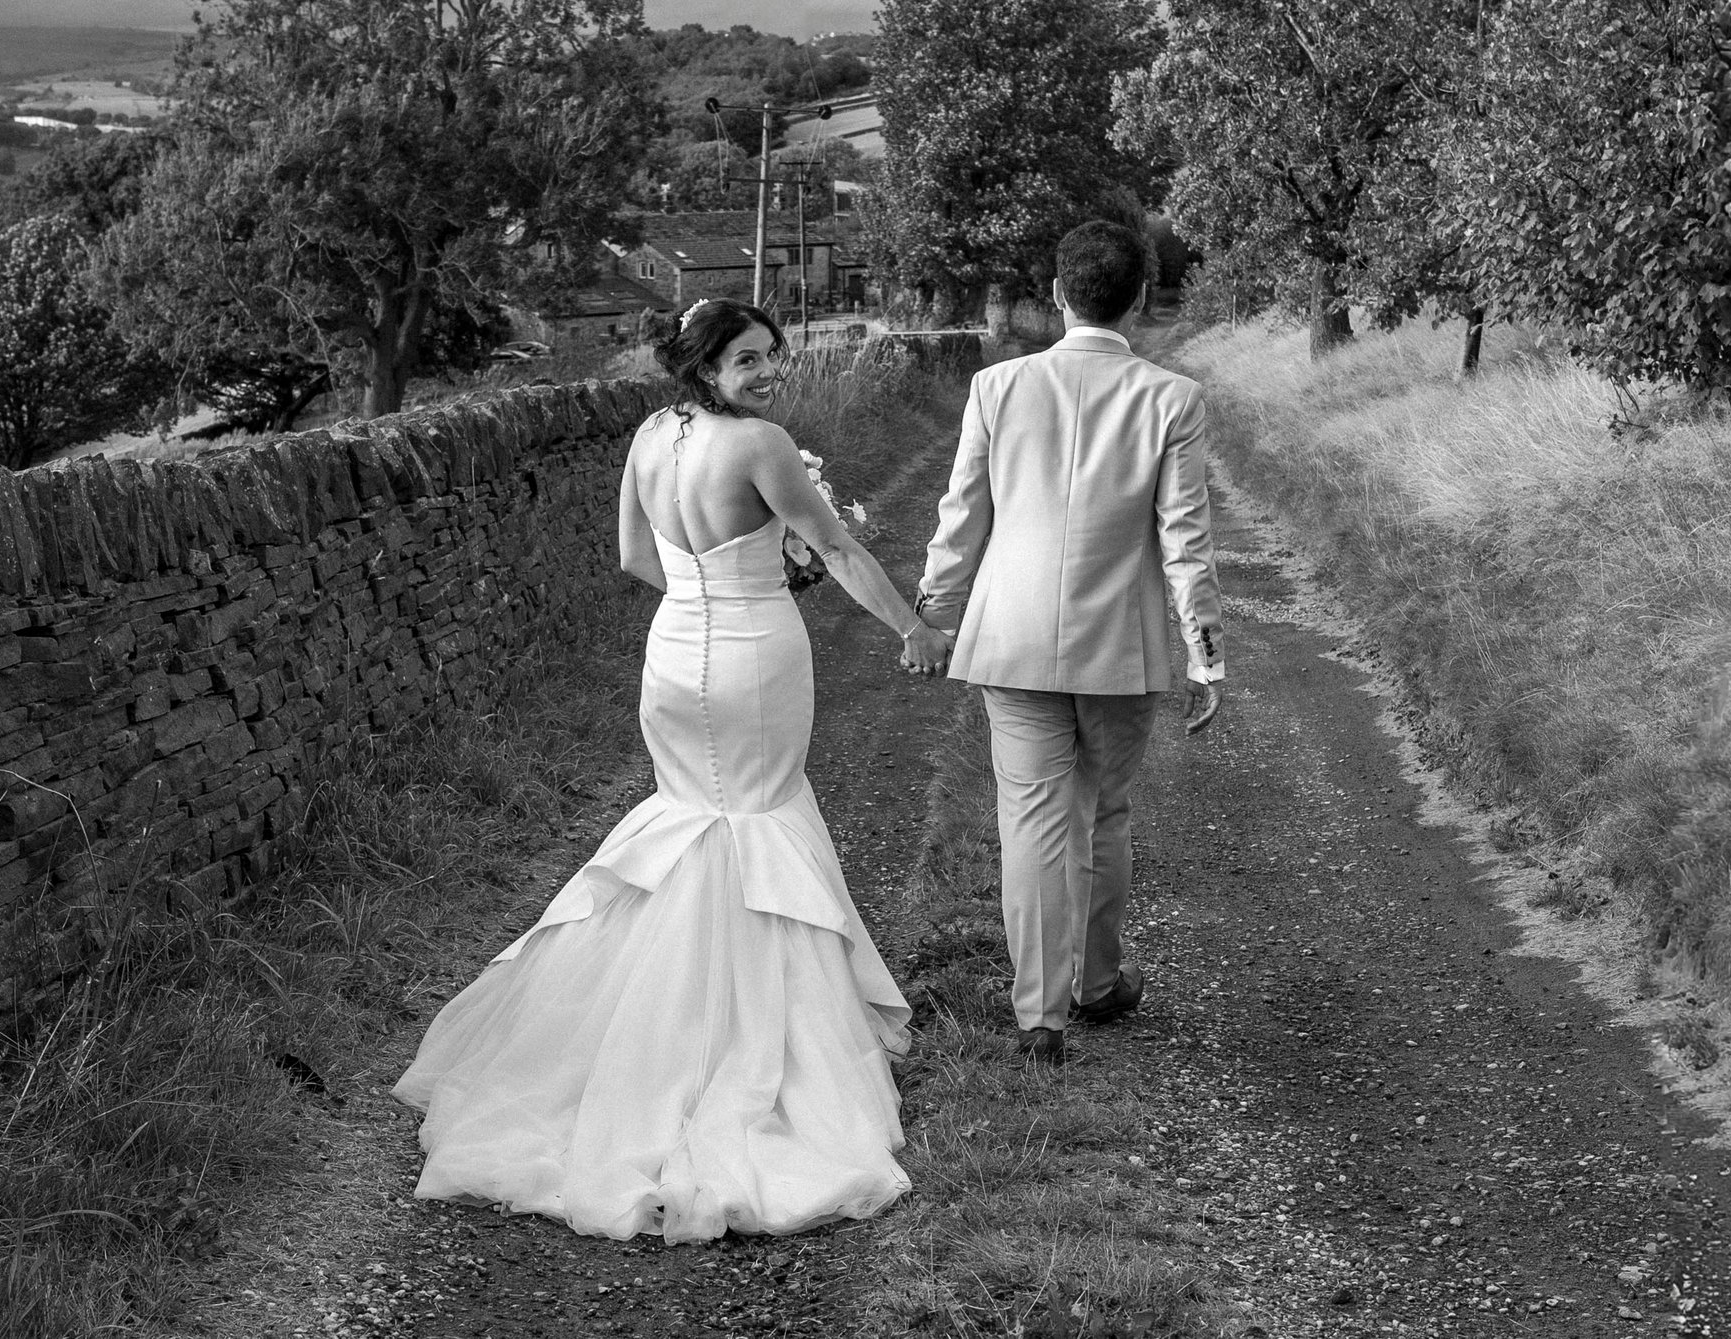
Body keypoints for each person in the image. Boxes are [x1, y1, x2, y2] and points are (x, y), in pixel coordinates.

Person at [394, 297, 949, 1243]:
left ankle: (653, 1033)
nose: (768, 373)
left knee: (692, 818)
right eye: (747, 360)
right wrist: (911, 627)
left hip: (673, 652)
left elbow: (631, 555)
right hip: (753, 656)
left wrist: (708, 585)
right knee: (758, 817)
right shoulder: (764, 446)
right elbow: (842, 547)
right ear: (703, 367)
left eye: (772, 356)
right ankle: (753, 1043)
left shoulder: (650, 435)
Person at [906, 220, 1224, 1065]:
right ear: (1144, 299)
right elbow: (1185, 539)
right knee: (1104, 812)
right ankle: (1097, 986)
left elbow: (962, 512)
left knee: (1033, 819)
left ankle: (1040, 1018)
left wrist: (936, 609)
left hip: (1010, 637)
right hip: (1119, 644)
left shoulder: (996, 387)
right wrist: (1204, 653)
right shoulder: (1172, 398)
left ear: (1057, 295)